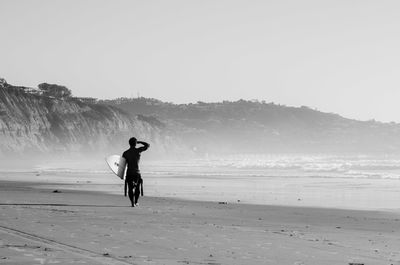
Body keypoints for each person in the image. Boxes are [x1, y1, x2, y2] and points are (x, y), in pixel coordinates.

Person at [122, 137, 150, 207]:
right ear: (135, 143)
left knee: (130, 188)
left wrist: (122, 175)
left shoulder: (125, 153)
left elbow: (122, 165)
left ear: (129, 144)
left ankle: (132, 202)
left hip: (129, 173)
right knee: (137, 188)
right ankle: (136, 201)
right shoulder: (138, 151)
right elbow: (147, 145)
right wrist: (139, 142)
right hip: (136, 173)